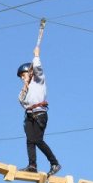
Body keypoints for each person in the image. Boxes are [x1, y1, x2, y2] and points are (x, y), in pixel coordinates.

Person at [17, 45, 61, 176]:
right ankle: (32, 165)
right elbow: (22, 102)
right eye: (21, 77)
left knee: (37, 140)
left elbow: (38, 69)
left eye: (23, 75)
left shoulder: (38, 81)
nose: (22, 78)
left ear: (29, 73)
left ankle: (54, 163)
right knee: (30, 140)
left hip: (39, 114)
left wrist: (36, 56)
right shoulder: (25, 89)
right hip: (30, 116)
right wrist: (24, 89)